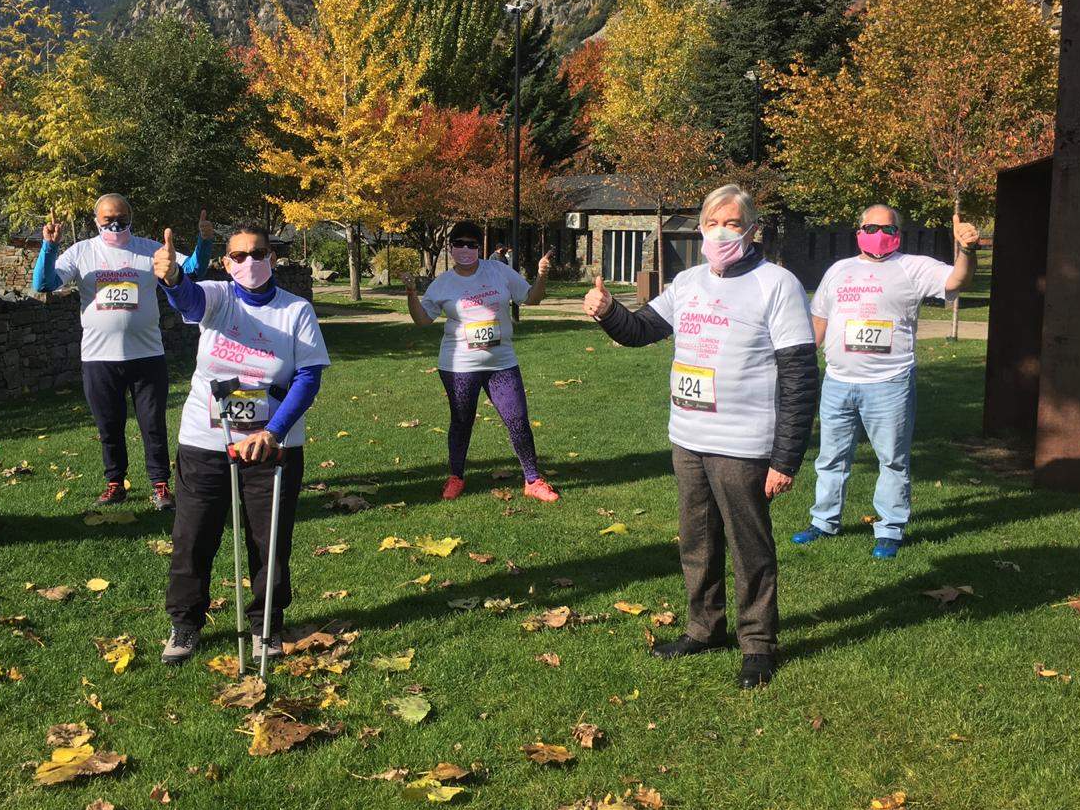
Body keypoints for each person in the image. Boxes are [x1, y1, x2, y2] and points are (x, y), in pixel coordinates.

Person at [583, 185, 818, 689]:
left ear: (752, 230)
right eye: (712, 222)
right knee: (697, 541)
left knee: (749, 546)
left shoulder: (777, 285)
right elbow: (641, 329)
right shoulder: (688, 282)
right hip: (688, 436)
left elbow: (800, 375)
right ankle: (704, 628)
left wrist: (786, 458)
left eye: (732, 223)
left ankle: (757, 643)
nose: (720, 232)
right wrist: (607, 311)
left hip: (744, 443)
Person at [155, 223, 330, 664]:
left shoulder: (297, 311)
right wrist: (173, 278)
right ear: (226, 262)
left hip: (272, 442)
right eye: (239, 256)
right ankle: (185, 624)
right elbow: (189, 300)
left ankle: (265, 626)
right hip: (206, 438)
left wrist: (273, 432)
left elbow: (308, 378)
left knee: (268, 540)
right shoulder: (217, 297)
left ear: (272, 257)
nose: (249, 263)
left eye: (259, 253)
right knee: (193, 535)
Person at [792, 205, 980, 559]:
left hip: (889, 383)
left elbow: (958, 280)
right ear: (858, 230)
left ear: (898, 233)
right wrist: (799, 364)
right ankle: (823, 521)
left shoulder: (913, 267)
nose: (878, 233)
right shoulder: (838, 271)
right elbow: (818, 321)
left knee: (892, 460)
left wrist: (967, 250)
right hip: (837, 382)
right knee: (831, 458)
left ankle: (890, 529)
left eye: (887, 228)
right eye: (870, 226)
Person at [32, 194, 213, 509]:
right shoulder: (82, 251)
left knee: (152, 424)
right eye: (107, 219)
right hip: (99, 359)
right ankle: (115, 483)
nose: (115, 224)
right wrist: (49, 247)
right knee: (109, 426)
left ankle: (160, 486)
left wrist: (204, 240)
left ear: (131, 217)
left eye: (121, 218)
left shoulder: (148, 249)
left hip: (147, 356)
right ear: (95, 220)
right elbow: (43, 284)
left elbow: (193, 270)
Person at [403, 221, 560, 502]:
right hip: (459, 366)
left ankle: (533, 480)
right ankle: (456, 477)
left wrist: (541, 275)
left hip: (502, 363)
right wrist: (412, 294)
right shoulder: (443, 283)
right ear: (451, 248)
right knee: (461, 422)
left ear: (480, 247)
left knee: (517, 419)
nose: (465, 249)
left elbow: (531, 299)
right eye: (459, 244)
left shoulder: (498, 271)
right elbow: (422, 320)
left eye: (471, 244)